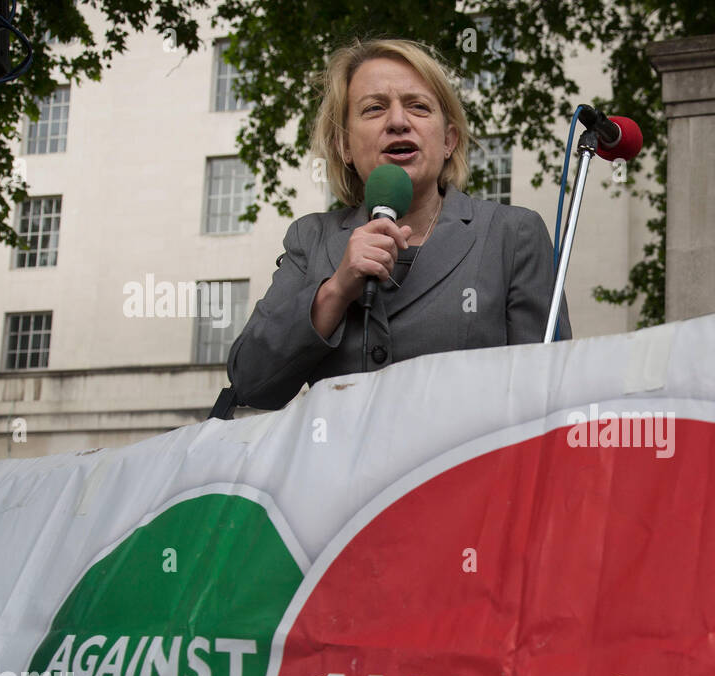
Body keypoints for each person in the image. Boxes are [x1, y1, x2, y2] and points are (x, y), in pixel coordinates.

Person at [227, 38, 569, 411]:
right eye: (374, 108)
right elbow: (251, 382)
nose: (398, 121)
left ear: (449, 140)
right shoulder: (311, 239)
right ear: (344, 146)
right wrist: (336, 290)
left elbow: (548, 393)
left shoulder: (513, 235)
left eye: (418, 107)